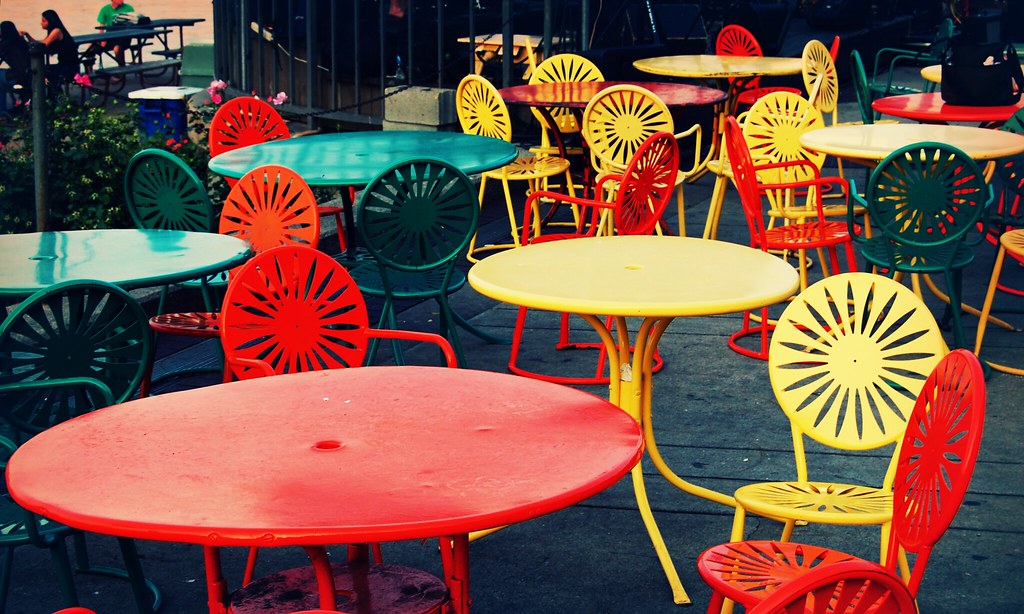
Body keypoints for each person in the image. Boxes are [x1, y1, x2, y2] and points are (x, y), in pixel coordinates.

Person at [20, 10, 78, 86]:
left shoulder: (56, 31)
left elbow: (43, 45)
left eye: (44, 21)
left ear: (50, 21)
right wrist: (27, 35)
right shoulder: (54, 31)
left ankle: (51, 94)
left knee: (40, 71)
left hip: (68, 68)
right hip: (65, 65)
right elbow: (39, 43)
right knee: (43, 70)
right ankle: (54, 93)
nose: (41, 23)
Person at [96, 0, 135, 66]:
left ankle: (121, 72)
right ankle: (89, 72)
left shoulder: (128, 8)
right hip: (110, 37)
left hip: (123, 38)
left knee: (117, 48)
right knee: (91, 47)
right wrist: (102, 39)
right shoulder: (105, 9)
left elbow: (134, 23)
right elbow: (101, 27)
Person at [0, 20, 31, 98]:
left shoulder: (5, 44)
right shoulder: (21, 41)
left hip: (17, 77)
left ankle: (2, 108)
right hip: (28, 75)